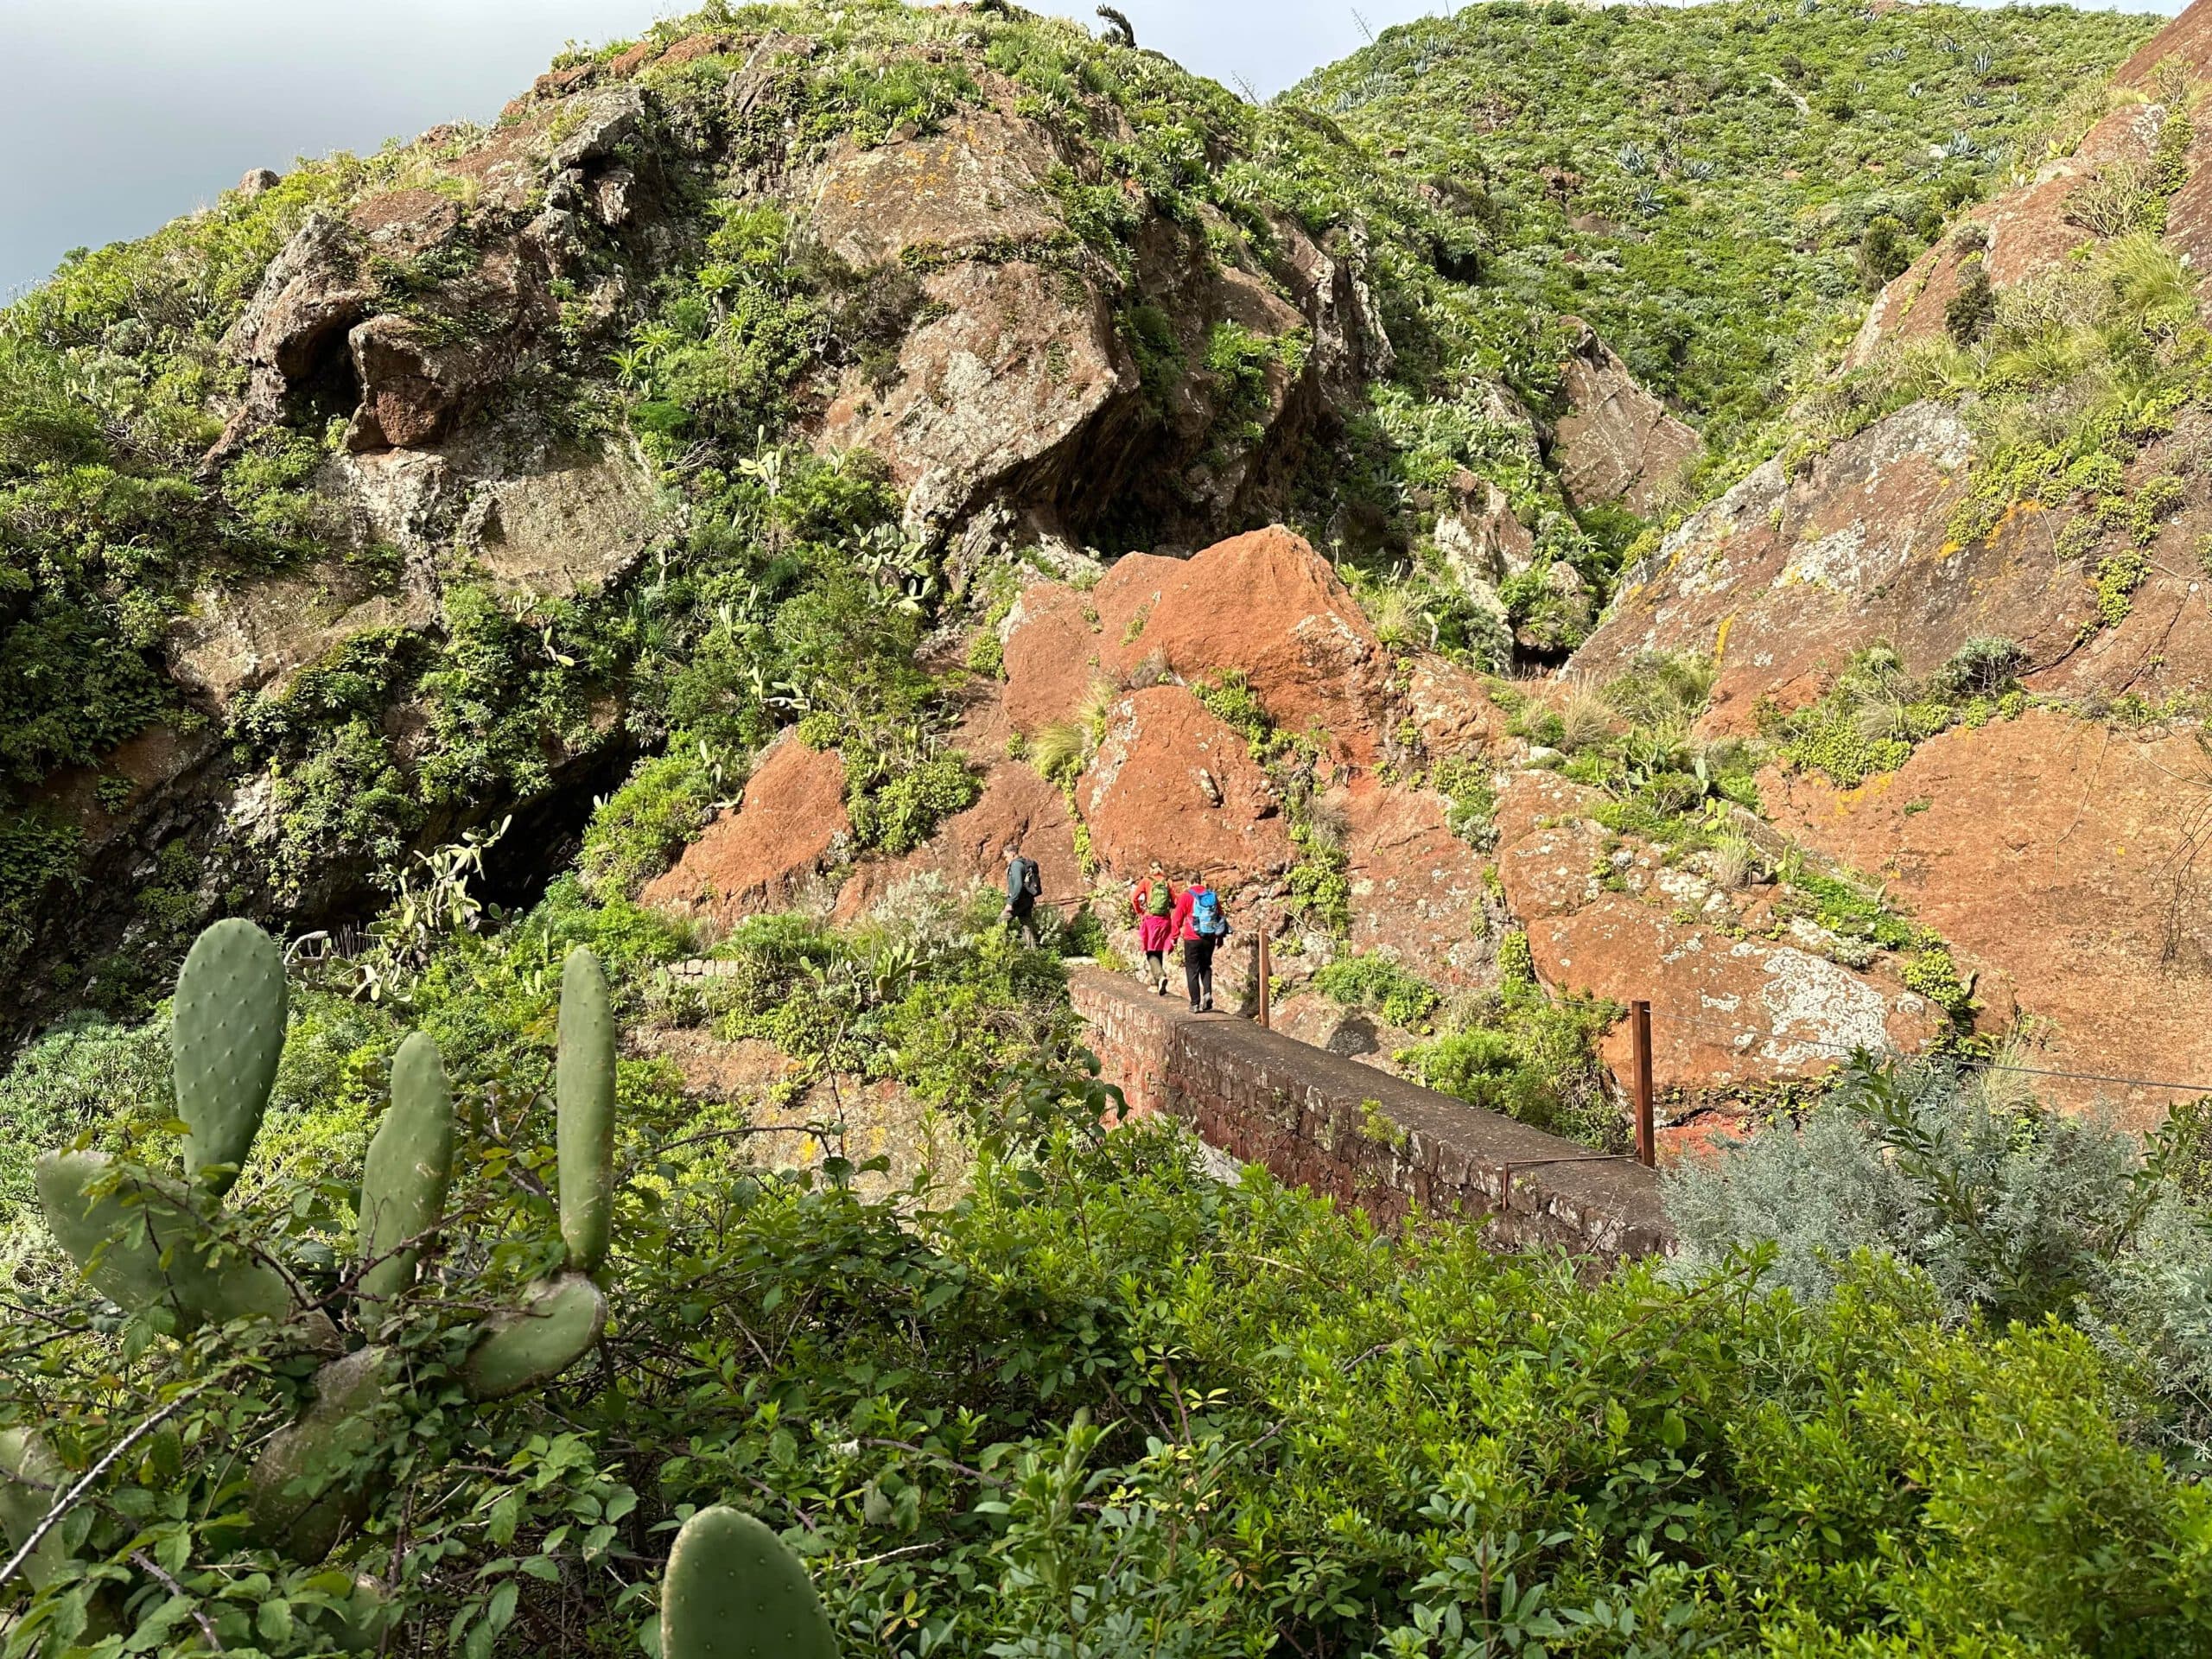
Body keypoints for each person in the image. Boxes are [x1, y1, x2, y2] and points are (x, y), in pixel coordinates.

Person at [1173, 872, 1230, 1014]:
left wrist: (1173, 937)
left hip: (1192, 938)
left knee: (1192, 970)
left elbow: (1177, 919)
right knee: (1206, 966)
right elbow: (1220, 916)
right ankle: (1208, 993)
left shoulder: (1186, 896)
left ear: (1187, 882)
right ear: (1200, 880)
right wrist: (1220, 937)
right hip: (1209, 938)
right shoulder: (1211, 896)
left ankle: (1195, 1004)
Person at [1131, 861, 1177, 995]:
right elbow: (1175, 901)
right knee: (1158, 949)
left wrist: (1140, 912)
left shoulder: (1146, 881)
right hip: (1165, 920)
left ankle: (1161, 975)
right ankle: (1155, 983)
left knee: (1150, 951)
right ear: (1161, 868)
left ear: (1150, 869)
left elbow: (1134, 898)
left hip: (1151, 919)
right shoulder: (1168, 882)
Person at [1002, 842, 1042, 947]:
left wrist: (1010, 902)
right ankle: (1032, 954)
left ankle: (1003, 950)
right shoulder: (1023, 863)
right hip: (1027, 901)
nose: (1006, 859)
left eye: (1006, 856)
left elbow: (1018, 884)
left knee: (1001, 923)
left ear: (1012, 854)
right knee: (1027, 926)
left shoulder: (1016, 865)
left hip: (1018, 902)